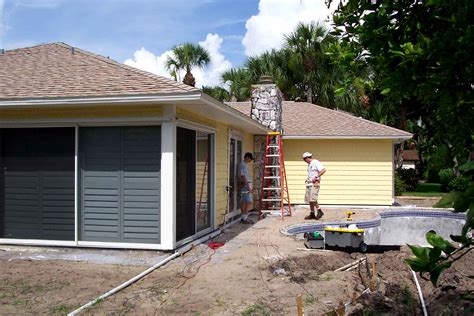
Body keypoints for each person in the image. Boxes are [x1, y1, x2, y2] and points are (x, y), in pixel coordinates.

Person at [302, 152, 326, 220]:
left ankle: (319, 210)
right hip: (309, 183)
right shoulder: (309, 165)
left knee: (313, 198)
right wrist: (308, 178)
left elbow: (323, 170)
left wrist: (316, 177)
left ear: (307, 158)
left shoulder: (315, 162)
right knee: (310, 199)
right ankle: (312, 213)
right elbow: (311, 173)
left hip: (315, 183)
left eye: (304, 159)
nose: (304, 161)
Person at [238, 152, 255, 224]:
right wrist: (248, 187)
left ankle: (244, 217)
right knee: (248, 202)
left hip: (246, 184)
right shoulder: (242, 165)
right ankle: (244, 218)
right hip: (245, 185)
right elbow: (243, 176)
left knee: (244, 201)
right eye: (250, 159)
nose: (251, 160)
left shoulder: (244, 165)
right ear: (247, 157)